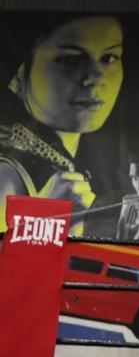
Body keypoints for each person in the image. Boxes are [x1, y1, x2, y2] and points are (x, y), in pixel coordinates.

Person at [0, 16, 124, 234]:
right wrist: (43, 215)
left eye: (109, 57)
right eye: (70, 59)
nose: (95, 76)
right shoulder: (9, 174)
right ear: (23, 69)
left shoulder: (95, 166)